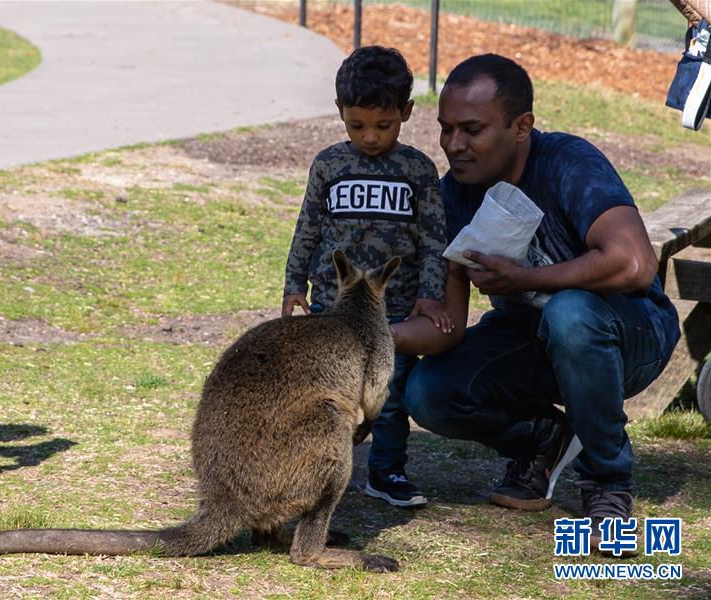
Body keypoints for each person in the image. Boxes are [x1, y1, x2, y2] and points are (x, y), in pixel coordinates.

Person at [399, 54, 680, 554]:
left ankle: (608, 483)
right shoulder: (451, 196)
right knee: (430, 392)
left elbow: (635, 263)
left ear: (521, 126)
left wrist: (527, 278)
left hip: (629, 331)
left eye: (471, 129)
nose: (453, 145)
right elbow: (450, 327)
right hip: (532, 339)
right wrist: (370, 333)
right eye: (445, 129)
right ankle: (543, 439)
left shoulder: (568, 163)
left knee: (568, 313)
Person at [282, 45, 459, 509]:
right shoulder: (329, 165)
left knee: (390, 394)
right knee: (325, 394)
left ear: (405, 112)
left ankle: (386, 471)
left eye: (384, 125)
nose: (370, 137)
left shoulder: (419, 171)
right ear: (340, 112)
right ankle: (316, 473)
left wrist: (430, 295)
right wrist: (293, 284)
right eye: (356, 125)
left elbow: (433, 240)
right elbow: (308, 227)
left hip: (393, 312)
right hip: (331, 310)